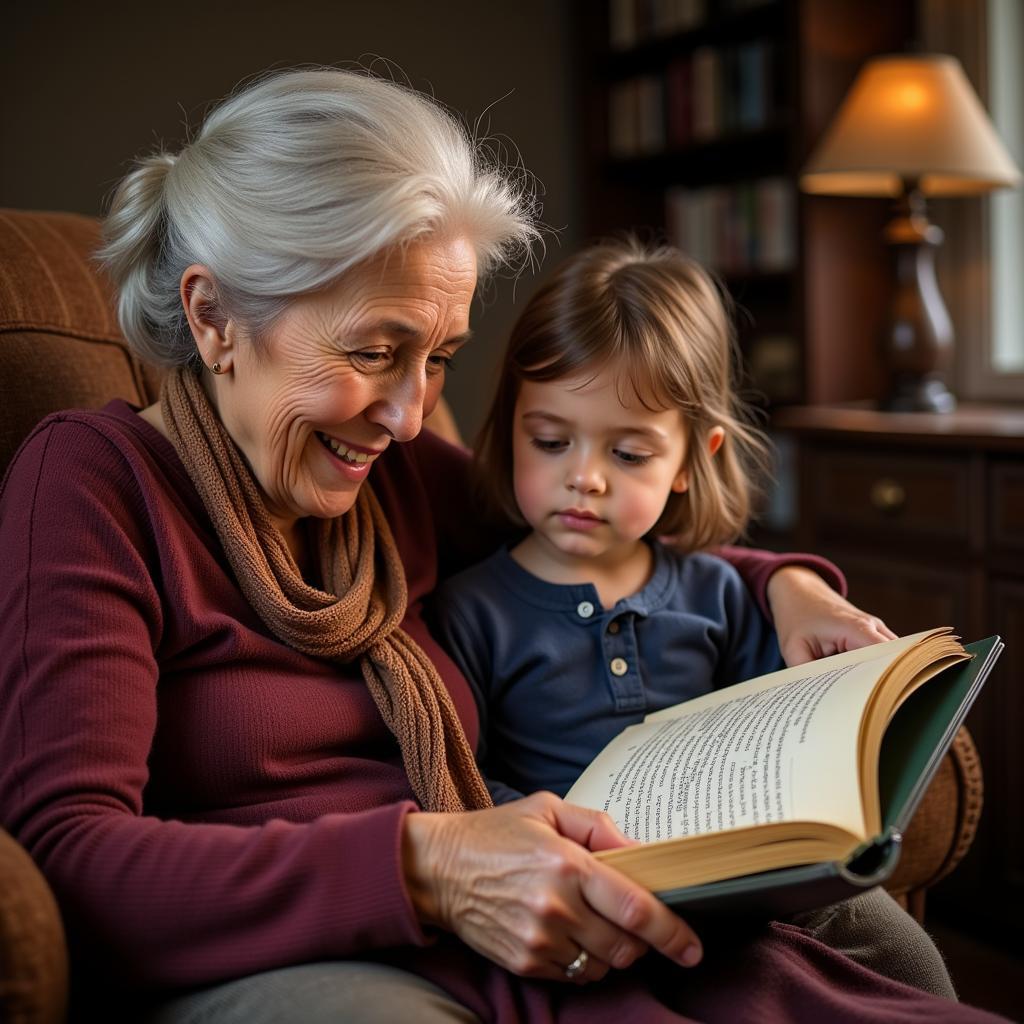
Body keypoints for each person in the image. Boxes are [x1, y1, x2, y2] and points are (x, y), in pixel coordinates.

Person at [0, 68, 994, 1024]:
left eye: (438, 359)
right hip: (294, 944)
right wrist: (427, 867)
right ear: (212, 315)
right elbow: (70, 853)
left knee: (881, 957)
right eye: (373, 350)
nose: (408, 414)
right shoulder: (94, 479)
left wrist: (783, 588)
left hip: (502, 884)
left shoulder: (396, 475)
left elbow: (595, 545)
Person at [427, 236, 958, 998]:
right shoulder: (472, 609)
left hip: (741, 874)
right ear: (510, 424)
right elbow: (464, 779)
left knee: (909, 964)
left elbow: (777, 730)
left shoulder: (717, 593)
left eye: (631, 454)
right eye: (550, 440)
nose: (584, 477)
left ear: (690, 459)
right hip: (584, 887)